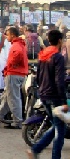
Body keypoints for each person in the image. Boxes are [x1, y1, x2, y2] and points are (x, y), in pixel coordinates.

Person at [27, 29, 68, 159]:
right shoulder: (58, 57)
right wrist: (63, 101)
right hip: (55, 97)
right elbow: (59, 81)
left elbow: (38, 76)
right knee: (60, 131)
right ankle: (48, 154)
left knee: (57, 125)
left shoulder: (43, 55)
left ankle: (36, 149)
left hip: (44, 94)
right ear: (60, 41)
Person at [0, 26, 28, 129]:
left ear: (12, 35)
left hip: (13, 73)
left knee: (13, 99)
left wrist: (10, 66)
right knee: (6, 98)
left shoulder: (16, 45)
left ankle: (17, 121)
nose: (6, 37)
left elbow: (17, 56)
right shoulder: (20, 44)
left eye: (8, 35)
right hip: (18, 73)